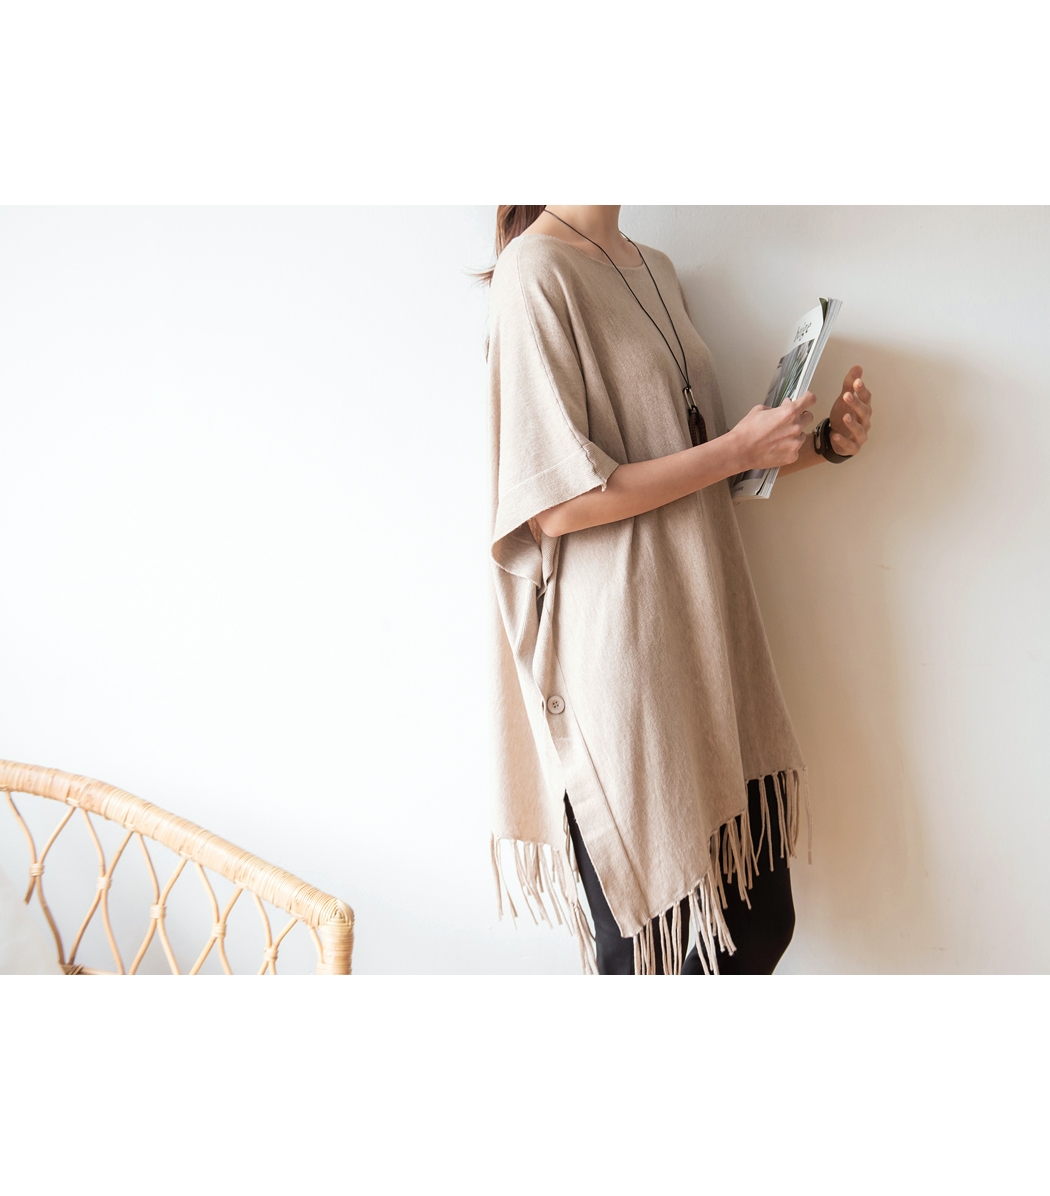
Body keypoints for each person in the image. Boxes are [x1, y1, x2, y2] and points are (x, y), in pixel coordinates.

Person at [480, 206, 873, 975]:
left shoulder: (654, 267)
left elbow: (702, 467)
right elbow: (554, 502)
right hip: (621, 655)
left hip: (703, 634)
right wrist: (733, 448)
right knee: (650, 954)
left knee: (760, 925)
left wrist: (820, 443)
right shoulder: (535, 273)